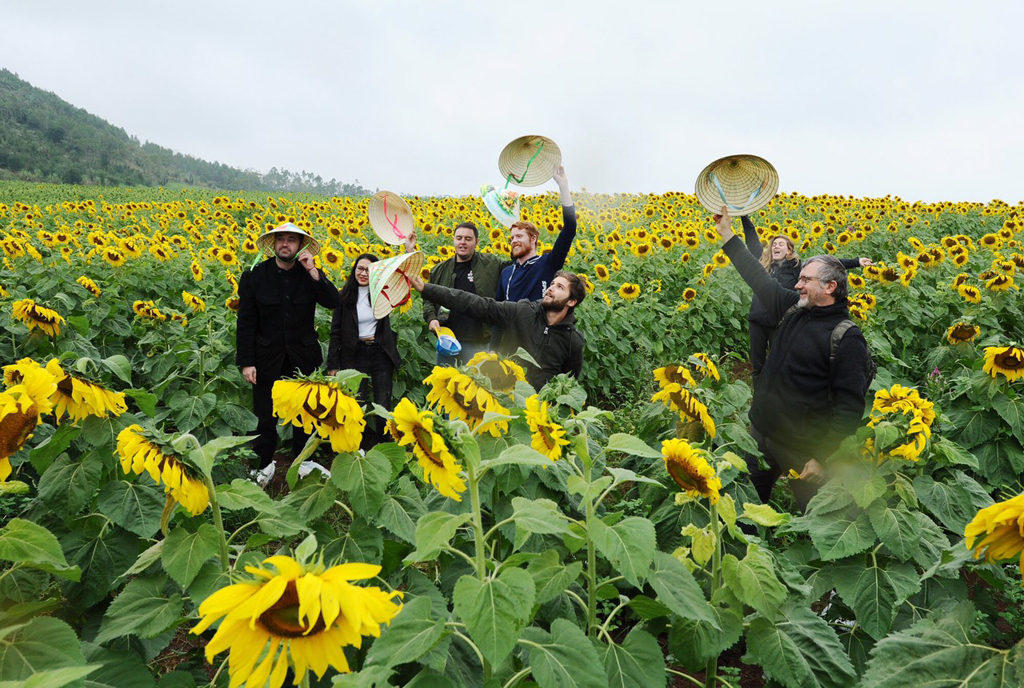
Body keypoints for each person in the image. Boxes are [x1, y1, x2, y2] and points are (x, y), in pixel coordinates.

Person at [715, 208, 871, 511]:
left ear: (829, 287)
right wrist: (726, 234)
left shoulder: (845, 337)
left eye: (805, 280)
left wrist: (823, 456)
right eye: (798, 279)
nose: (797, 285)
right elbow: (757, 277)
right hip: (761, 434)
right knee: (744, 509)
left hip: (801, 448)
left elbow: (849, 408)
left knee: (816, 516)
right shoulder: (792, 308)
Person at [236, 223, 339, 479]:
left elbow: (333, 301)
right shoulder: (255, 276)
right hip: (266, 357)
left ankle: (303, 462)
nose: (285, 244)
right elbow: (246, 322)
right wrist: (247, 362)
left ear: (300, 246)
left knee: (304, 412)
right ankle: (262, 465)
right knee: (265, 413)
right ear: (273, 245)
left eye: (291, 240)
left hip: (302, 356)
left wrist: (313, 270)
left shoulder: (310, 275)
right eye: (280, 239)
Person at [740, 216, 873, 381]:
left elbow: (825, 265)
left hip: (781, 321)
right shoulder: (763, 265)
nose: (776, 245)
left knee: (778, 362)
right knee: (758, 365)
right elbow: (751, 238)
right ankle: (758, 397)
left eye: (781, 244)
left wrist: (856, 262)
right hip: (758, 320)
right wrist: (743, 215)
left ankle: (776, 396)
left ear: (789, 250)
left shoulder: (798, 268)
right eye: (774, 243)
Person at [411, 269, 585, 389]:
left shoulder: (573, 342)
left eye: (560, 287)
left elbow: (567, 384)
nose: (551, 288)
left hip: (535, 414)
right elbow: (476, 304)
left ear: (571, 302)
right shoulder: (522, 312)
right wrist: (426, 289)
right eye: (552, 283)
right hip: (502, 396)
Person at [492, 165, 577, 351]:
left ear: (533, 238)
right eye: (512, 237)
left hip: (539, 344)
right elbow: (499, 314)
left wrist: (563, 186)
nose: (514, 241)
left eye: (519, 236)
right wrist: (492, 349)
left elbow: (570, 228)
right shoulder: (507, 273)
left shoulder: (547, 264)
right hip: (510, 345)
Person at [326, 253, 401, 450]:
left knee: (383, 402)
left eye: (369, 270)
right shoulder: (344, 297)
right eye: (360, 268)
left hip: (379, 352)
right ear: (354, 270)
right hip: (354, 353)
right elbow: (335, 333)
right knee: (356, 402)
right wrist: (332, 365)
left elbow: (401, 279)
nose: (363, 273)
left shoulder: (383, 293)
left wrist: (408, 248)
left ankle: (385, 445)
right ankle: (355, 445)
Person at [421, 221, 508, 365]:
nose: (463, 242)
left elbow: (516, 268)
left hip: (480, 343)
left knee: (476, 385)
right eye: (459, 238)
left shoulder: (491, 264)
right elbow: (428, 298)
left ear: (477, 242)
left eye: (468, 239)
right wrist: (431, 318)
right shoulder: (439, 270)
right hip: (447, 342)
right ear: (453, 240)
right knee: (446, 385)